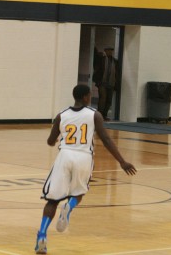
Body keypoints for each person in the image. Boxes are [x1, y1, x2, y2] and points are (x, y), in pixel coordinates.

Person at [34, 84, 136, 254]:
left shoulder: (61, 115)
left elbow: (50, 141)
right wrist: (122, 161)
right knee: (79, 192)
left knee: (52, 200)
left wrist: (58, 138)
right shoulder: (95, 115)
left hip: (65, 155)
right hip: (83, 157)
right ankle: (69, 206)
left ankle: (42, 236)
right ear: (86, 97)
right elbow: (106, 140)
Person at [93, 47, 120, 121]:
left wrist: (116, 84)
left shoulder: (115, 61)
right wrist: (97, 81)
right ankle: (99, 115)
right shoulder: (101, 59)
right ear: (105, 51)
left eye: (111, 51)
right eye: (108, 51)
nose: (110, 52)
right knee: (103, 98)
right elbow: (96, 68)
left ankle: (104, 115)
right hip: (102, 82)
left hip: (111, 83)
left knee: (109, 100)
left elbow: (117, 73)